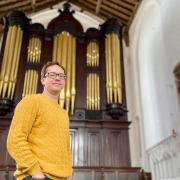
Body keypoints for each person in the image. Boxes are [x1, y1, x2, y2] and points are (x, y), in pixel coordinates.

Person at [7, 61, 73, 180]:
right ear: (43, 80)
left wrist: (68, 174)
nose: (58, 78)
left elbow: (65, 148)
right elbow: (15, 141)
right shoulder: (31, 102)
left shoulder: (64, 114)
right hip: (38, 176)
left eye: (62, 76)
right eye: (52, 75)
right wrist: (36, 173)